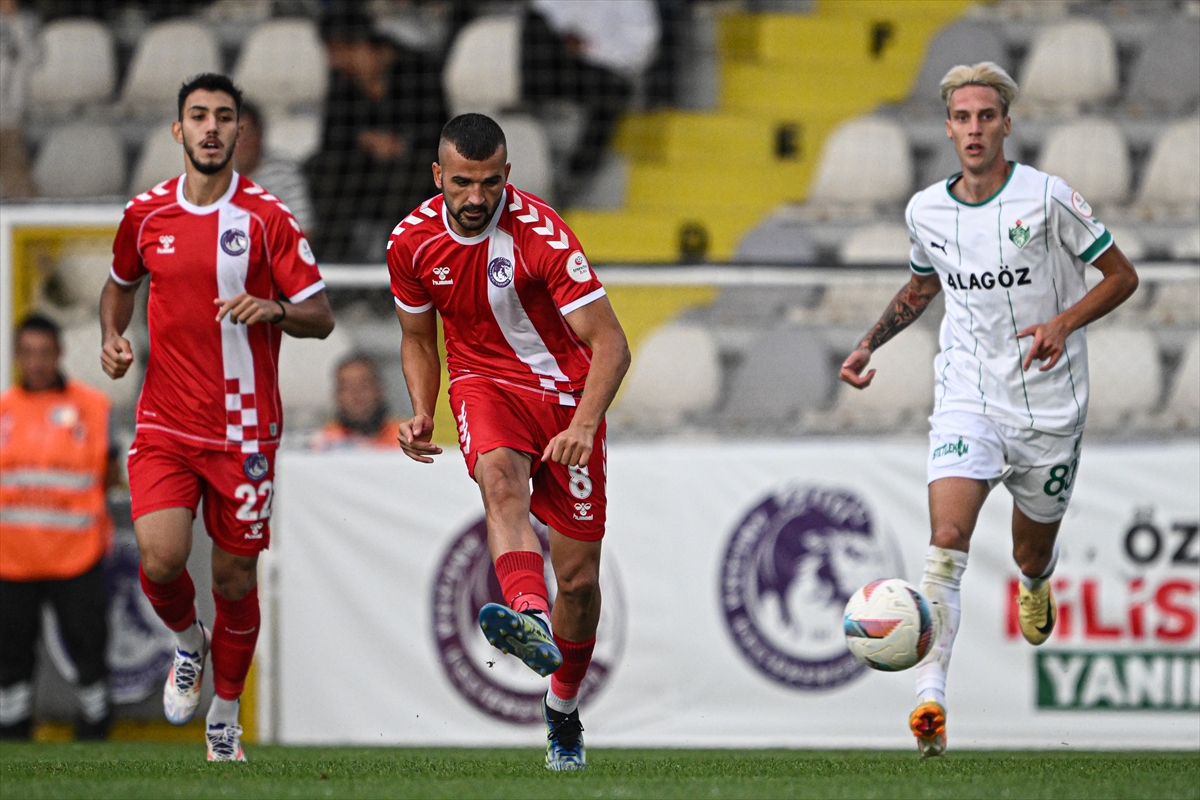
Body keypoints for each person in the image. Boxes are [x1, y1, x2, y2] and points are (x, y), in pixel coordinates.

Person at [838, 62, 1138, 758]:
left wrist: (1062, 322)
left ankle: (1037, 580)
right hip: (967, 396)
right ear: (948, 127)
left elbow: (1123, 276)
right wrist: (866, 342)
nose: (974, 129)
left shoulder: (1049, 198)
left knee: (1028, 548)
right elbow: (921, 286)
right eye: (962, 118)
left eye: (986, 117)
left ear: (1006, 124)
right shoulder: (925, 211)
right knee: (947, 538)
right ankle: (931, 703)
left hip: (1050, 407)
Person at [99, 73, 335, 762]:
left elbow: (320, 315)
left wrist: (277, 310)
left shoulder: (268, 219)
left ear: (238, 132)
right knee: (162, 557)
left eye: (223, 117)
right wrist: (111, 337)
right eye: (198, 116)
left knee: (234, 580)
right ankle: (186, 642)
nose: (210, 128)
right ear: (178, 131)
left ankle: (225, 716)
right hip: (167, 424)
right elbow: (119, 288)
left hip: (245, 433)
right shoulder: (145, 215)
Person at [388, 113, 629, 771]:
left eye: (489, 183)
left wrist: (582, 424)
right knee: (499, 479)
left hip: (564, 401)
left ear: (507, 176)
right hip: (481, 381)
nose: (475, 198)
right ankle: (525, 611)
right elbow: (416, 338)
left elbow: (610, 342)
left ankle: (563, 709)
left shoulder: (543, 236)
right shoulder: (409, 244)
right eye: (462, 183)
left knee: (578, 584)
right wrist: (419, 409)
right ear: (438, 176)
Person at [0, 315, 119, 740]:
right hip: (11, 560)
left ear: (59, 354)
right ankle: (12, 733)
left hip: (77, 555)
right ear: (17, 356)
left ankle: (95, 730)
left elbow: (110, 471)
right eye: (28, 353)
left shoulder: (93, 407)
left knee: (89, 650)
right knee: (10, 658)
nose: (36, 362)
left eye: (44, 352)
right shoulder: (3, 411)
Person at [309, 4, 446, 262]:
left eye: (339, 51)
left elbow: (438, 132)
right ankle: (333, 264)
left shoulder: (418, 70)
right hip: (361, 172)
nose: (334, 61)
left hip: (411, 171)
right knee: (319, 168)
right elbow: (331, 139)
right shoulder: (342, 81)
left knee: (410, 175)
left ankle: (400, 266)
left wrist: (401, 144)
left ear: (362, 44)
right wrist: (363, 138)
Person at [522, 0, 659, 198]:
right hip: (563, 62)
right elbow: (544, 11)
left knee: (612, 94)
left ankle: (575, 174)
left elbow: (642, 46)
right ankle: (525, 103)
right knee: (535, 26)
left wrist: (590, 48)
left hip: (605, 68)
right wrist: (566, 36)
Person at [232, 101, 315, 234]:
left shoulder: (285, 172)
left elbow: (305, 229)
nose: (241, 146)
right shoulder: (215, 175)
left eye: (247, 137)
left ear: (260, 135)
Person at [309, 354, 401, 449]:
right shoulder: (323, 442)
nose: (356, 395)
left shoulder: (407, 438)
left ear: (379, 390)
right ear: (336, 395)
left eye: (364, 386)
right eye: (347, 388)